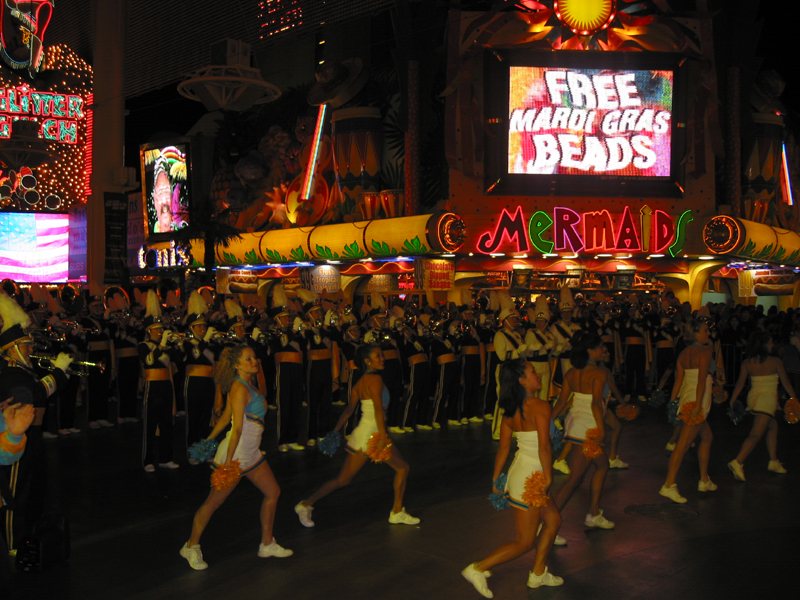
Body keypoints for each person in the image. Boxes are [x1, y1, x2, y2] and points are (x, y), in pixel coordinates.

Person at [180, 344, 292, 570]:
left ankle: (267, 543)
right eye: (248, 358)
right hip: (237, 454)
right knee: (213, 503)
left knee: (273, 492)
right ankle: (190, 547)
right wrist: (228, 462)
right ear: (236, 365)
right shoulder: (240, 388)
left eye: (254, 357)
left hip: (250, 453)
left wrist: (208, 440)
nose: (254, 361)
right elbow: (237, 429)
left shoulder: (246, 385)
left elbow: (224, 419)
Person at [461, 359, 563, 597]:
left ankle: (538, 573)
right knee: (524, 542)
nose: (537, 374)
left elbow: (504, 449)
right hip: (532, 479)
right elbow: (544, 447)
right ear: (521, 380)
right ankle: (477, 568)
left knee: (554, 520)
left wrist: (497, 479)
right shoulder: (540, 405)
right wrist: (548, 478)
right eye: (532, 372)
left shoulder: (510, 408)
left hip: (522, 473)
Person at [294, 343, 419, 528]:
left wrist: (334, 432)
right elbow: (377, 409)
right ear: (367, 361)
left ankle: (306, 504)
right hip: (372, 434)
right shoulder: (375, 380)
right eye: (378, 356)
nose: (382, 358)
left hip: (362, 433)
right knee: (402, 468)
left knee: (343, 480)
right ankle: (397, 512)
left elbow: (348, 411)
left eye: (382, 354)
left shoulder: (359, 383)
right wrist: (383, 436)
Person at [551, 332, 615, 531]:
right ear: (590, 351)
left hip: (576, 424)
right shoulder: (599, 373)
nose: (603, 350)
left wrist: (550, 421)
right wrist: (601, 430)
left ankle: (594, 513)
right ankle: (547, 524)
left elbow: (561, 402)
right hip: (588, 428)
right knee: (574, 479)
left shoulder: (571, 372)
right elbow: (596, 403)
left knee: (602, 466)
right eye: (600, 347)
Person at [659, 320, 716, 503]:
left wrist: (673, 402)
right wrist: (698, 406)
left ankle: (704, 479)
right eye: (706, 331)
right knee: (682, 445)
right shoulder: (704, 353)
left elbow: (678, 382)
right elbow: (700, 382)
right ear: (696, 334)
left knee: (707, 438)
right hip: (696, 402)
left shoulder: (684, 353)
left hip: (687, 399)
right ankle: (668, 485)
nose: (709, 333)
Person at [727, 332, 796, 480]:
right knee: (756, 433)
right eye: (770, 342)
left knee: (772, 426)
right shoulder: (776, 361)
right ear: (764, 344)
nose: (772, 345)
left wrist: (732, 399)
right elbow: (786, 382)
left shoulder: (747, 362)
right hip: (767, 400)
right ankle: (738, 461)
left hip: (753, 398)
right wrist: (795, 399)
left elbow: (740, 383)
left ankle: (773, 461)